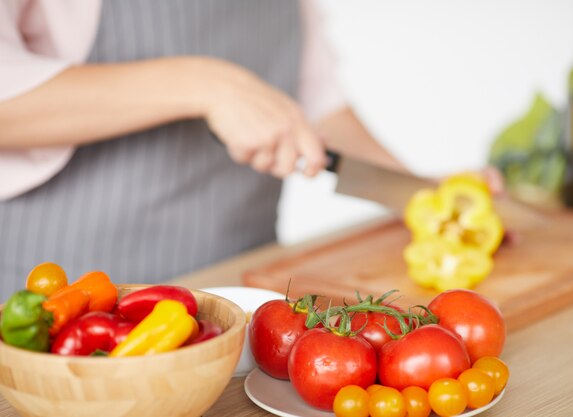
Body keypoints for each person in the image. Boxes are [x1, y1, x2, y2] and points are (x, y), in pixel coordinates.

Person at [0, 0, 405, 301]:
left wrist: (421, 195)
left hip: (238, 286)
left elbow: (317, 106)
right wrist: (204, 84)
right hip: (69, 287)